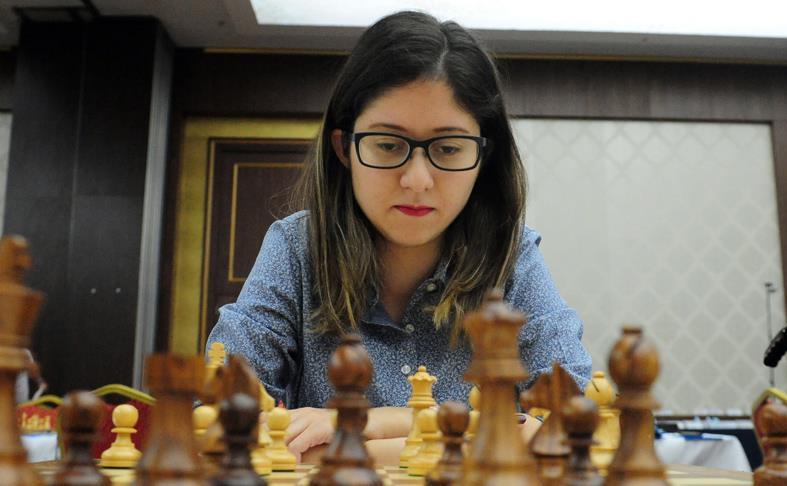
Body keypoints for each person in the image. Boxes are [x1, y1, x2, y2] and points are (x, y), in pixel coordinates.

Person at [207, 10, 592, 460]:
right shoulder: (296, 248)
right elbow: (219, 423)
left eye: (448, 148)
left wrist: (363, 427)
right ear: (344, 148)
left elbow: (573, 427)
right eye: (389, 145)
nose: (417, 180)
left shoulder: (512, 256)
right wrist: (478, 436)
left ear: (484, 157)